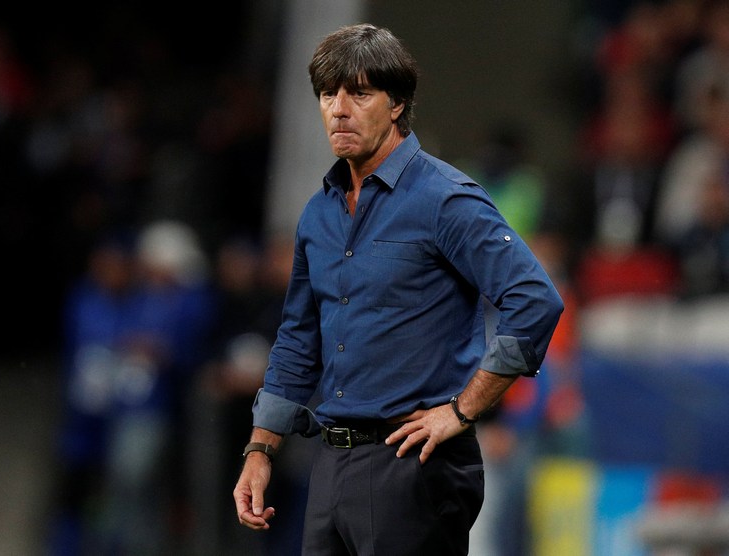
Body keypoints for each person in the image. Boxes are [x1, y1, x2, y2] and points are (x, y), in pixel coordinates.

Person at [232, 23, 564, 556]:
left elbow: (536, 299)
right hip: (331, 459)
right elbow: (298, 337)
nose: (339, 109)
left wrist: (461, 410)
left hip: (415, 461)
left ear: (397, 106)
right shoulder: (319, 213)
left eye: (358, 93)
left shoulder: (445, 199)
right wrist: (260, 449)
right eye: (327, 94)